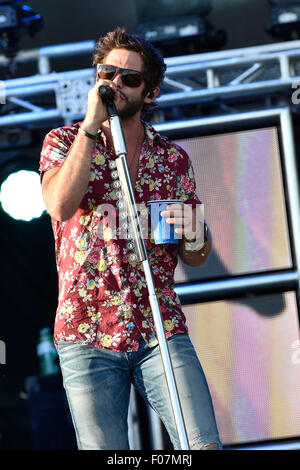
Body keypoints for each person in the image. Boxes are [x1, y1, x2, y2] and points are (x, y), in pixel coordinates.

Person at [39, 27, 221, 451]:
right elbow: (60, 206)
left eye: (129, 79)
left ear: (151, 93)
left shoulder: (170, 158)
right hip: (86, 330)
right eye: (108, 74)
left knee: (202, 445)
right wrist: (90, 126)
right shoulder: (64, 141)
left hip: (158, 326)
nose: (115, 84)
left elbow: (195, 256)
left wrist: (195, 233)